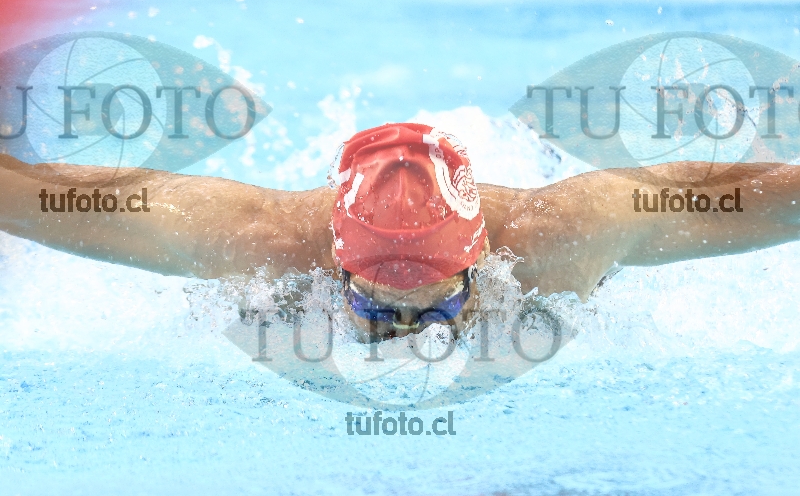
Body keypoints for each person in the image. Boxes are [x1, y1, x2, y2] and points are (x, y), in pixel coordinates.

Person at [2, 122, 799, 341]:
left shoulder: (564, 236)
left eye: (445, 307)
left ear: (480, 260)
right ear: (337, 265)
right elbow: (37, 199)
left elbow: (759, 198)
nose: (416, 335)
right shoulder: (257, 242)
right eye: (376, 311)